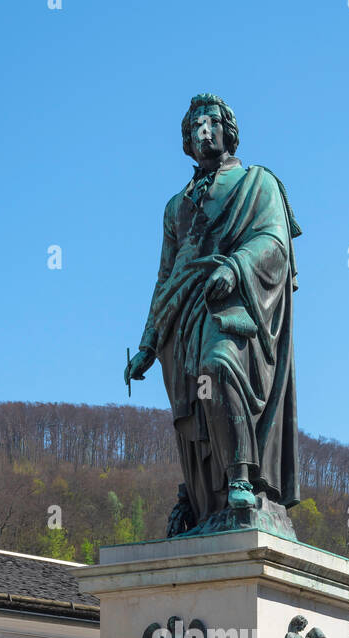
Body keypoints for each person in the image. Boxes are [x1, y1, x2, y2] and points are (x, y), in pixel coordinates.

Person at [125, 94, 301, 532]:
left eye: (212, 123)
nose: (204, 131)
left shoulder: (257, 183)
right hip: (181, 316)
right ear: (187, 139)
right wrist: (147, 344)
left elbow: (275, 243)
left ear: (228, 131)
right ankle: (202, 498)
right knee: (194, 406)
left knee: (218, 364)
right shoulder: (174, 207)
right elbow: (165, 277)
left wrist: (237, 266)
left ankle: (242, 477)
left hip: (232, 305)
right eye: (195, 126)